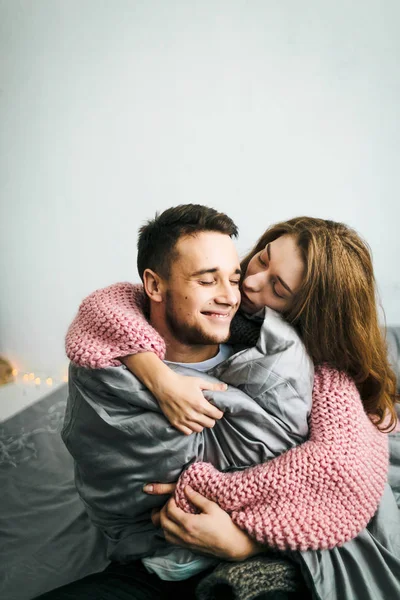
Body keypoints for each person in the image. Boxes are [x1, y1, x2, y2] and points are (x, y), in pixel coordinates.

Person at [39, 207, 399, 600]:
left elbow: (344, 473)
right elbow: (103, 308)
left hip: (252, 540)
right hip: (149, 554)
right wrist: (158, 377)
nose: (247, 285)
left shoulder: (319, 363)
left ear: (303, 312)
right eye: (261, 258)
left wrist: (243, 538)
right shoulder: (162, 311)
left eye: (277, 289)